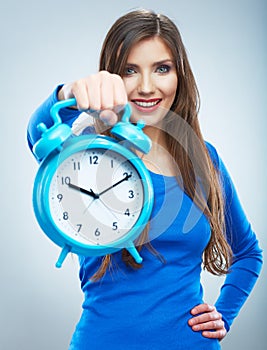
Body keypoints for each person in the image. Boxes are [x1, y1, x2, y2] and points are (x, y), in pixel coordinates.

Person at [27, 9, 263, 350]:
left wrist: (223, 314)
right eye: (129, 71)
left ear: (179, 75)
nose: (147, 87)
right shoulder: (84, 149)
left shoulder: (203, 158)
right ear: (111, 77)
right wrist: (68, 94)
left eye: (162, 69)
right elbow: (38, 134)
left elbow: (248, 253)